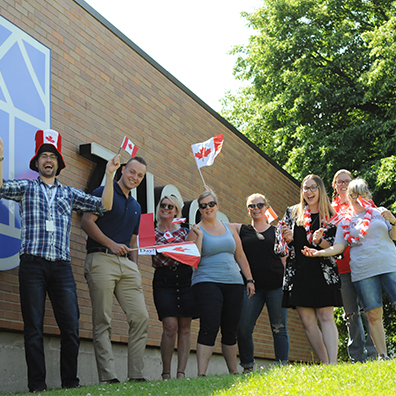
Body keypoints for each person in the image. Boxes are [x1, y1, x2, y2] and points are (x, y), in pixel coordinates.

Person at [0, 130, 120, 392]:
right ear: (37, 163)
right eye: (44, 156)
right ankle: (37, 386)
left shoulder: (69, 193)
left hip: (61, 267)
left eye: (52, 157)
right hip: (32, 264)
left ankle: (70, 383)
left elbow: (104, 206)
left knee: (71, 328)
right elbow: (0, 188)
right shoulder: (26, 187)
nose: (48, 160)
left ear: (59, 164)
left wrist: (110, 176)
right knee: (33, 328)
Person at [303, 178, 396, 360]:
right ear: (347, 196)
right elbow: (338, 247)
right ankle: (383, 356)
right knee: (373, 313)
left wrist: (393, 221)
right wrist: (318, 253)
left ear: (367, 195)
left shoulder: (380, 212)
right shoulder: (345, 221)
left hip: (389, 264)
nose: (356, 198)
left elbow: (394, 236)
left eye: (360, 194)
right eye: (352, 195)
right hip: (363, 270)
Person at [81, 156, 150, 384]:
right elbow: (87, 222)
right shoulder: (103, 190)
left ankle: (136, 375)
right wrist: (111, 244)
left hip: (126, 266)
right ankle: (109, 377)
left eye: (140, 175)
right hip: (101, 258)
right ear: (122, 170)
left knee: (140, 317)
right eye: (132, 172)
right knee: (103, 319)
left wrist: (134, 264)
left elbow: (133, 238)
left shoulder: (137, 206)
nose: (135, 178)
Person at [186, 190, 255, 376]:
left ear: (217, 206)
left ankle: (233, 372)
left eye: (210, 204)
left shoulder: (229, 228)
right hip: (206, 281)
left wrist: (249, 279)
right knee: (210, 325)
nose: (207, 208)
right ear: (199, 209)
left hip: (234, 282)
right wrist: (199, 238)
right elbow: (193, 261)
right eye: (203, 206)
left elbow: (240, 255)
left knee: (230, 328)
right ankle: (201, 374)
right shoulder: (195, 231)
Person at [281, 174, 342, 364]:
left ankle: (333, 363)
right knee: (307, 322)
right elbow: (280, 246)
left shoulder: (330, 215)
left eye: (313, 187)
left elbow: (337, 250)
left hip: (324, 273)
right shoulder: (292, 213)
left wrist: (320, 241)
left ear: (320, 190)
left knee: (326, 316)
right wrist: (287, 239)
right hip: (299, 273)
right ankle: (325, 364)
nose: (308, 192)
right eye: (305, 188)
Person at [234, 193, 289, 372]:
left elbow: (284, 259)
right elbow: (215, 223)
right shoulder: (241, 230)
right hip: (252, 288)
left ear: (266, 207)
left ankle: (282, 368)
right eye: (252, 206)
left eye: (259, 205)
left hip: (276, 287)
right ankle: (248, 367)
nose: (256, 209)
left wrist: (286, 284)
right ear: (247, 209)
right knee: (243, 328)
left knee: (279, 328)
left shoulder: (277, 231)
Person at [152, 195, 202, 380]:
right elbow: (151, 254)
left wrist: (167, 249)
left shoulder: (184, 230)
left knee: (185, 326)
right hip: (163, 279)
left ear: (176, 211)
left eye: (170, 206)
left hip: (184, 278)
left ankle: (181, 373)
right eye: (163, 205)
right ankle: (166, 373)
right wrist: (177, 250)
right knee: (170, 326)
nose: (166, 208)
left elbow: (191, 255)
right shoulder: (151, 230)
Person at [331, 170, 377, 362]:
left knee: (370, 310)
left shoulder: (364, 202)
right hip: (342, 268)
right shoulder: (330, 208)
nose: (343, 184)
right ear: (334, 185)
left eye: (346, 181)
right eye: (339, 182)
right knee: (350, 314)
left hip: (365, 264)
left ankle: (376, 353)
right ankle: (357, 357)